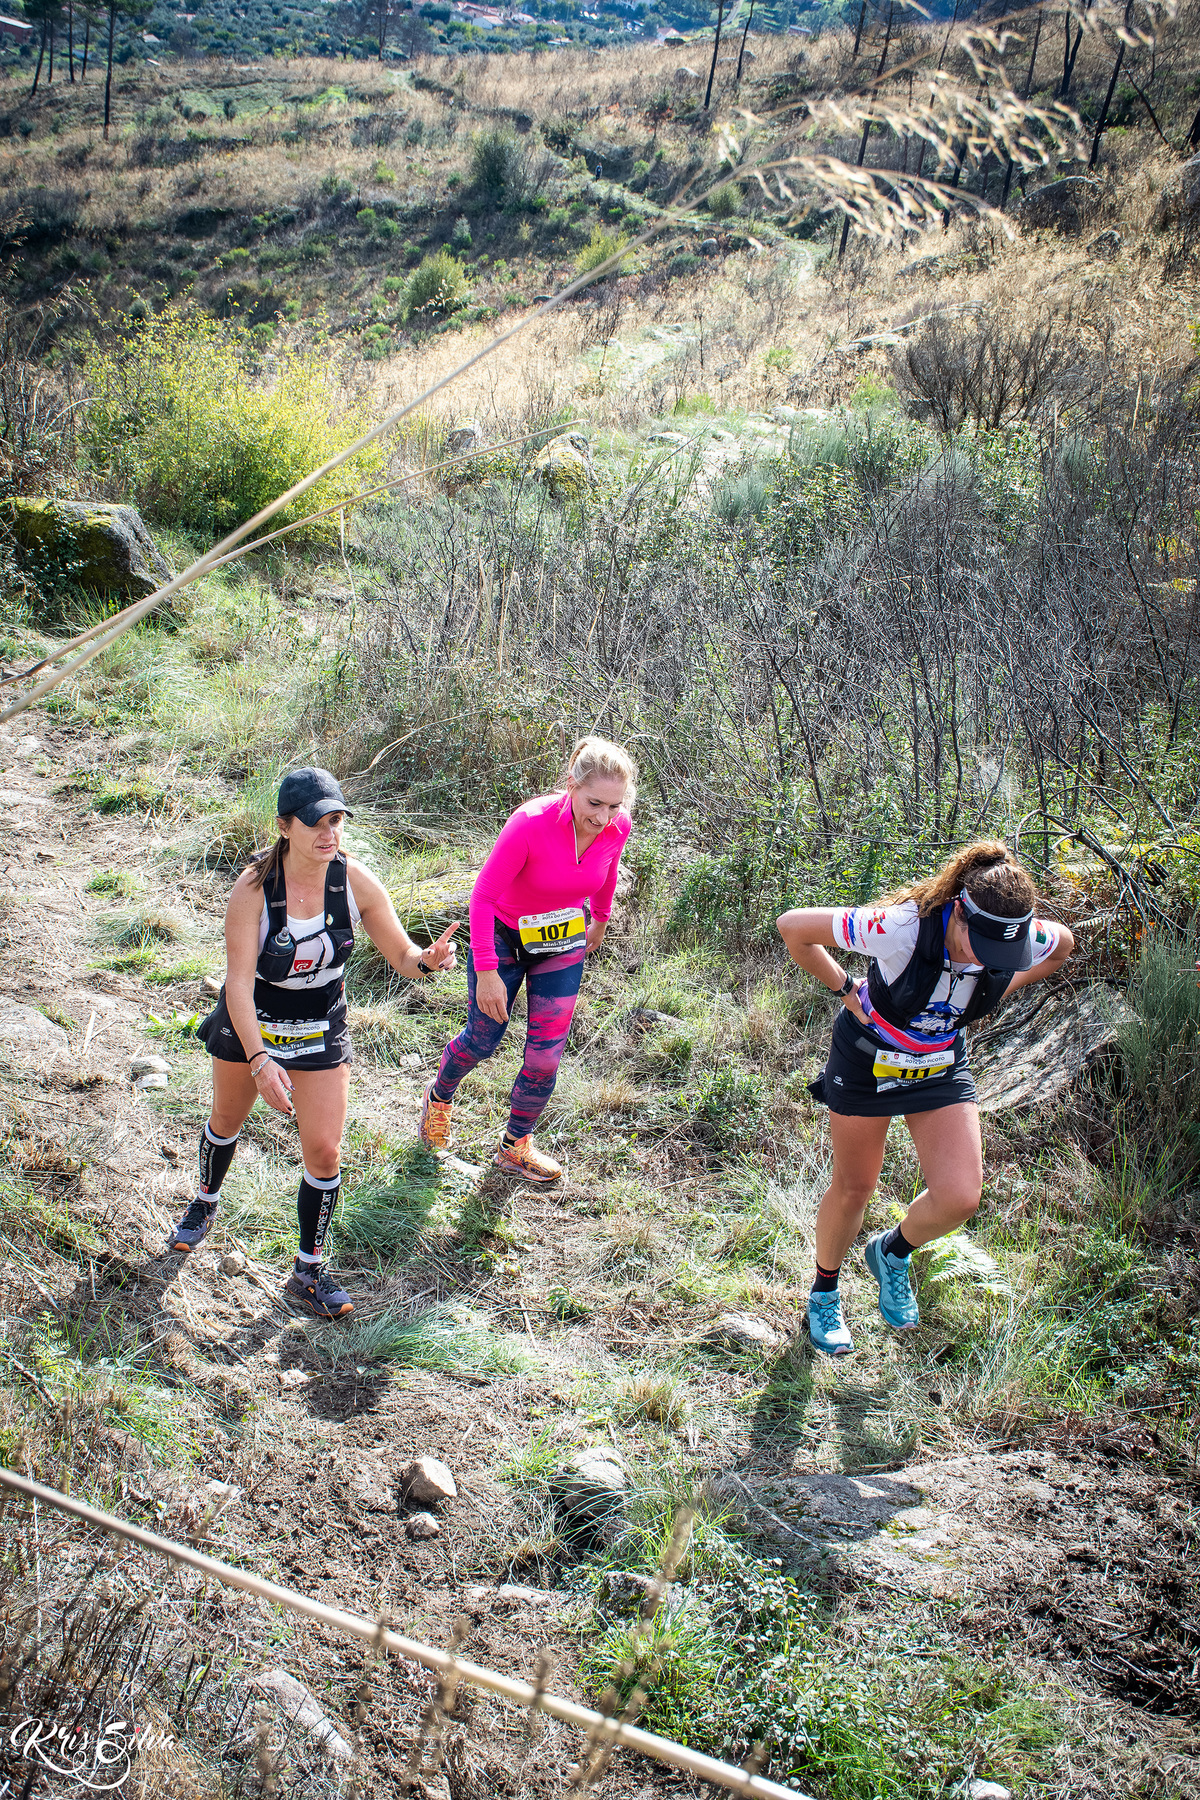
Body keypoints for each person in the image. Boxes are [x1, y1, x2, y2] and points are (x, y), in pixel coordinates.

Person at [167, 767, 458, 1321]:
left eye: (337, 821)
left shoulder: (354, 881)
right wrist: (259, 1060)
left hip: (320, 1020)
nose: (330, 833)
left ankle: (309, 1269)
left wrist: (427, 961)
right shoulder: (254, 887)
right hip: (253, 1017)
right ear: (284, 826)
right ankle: (204, 1202)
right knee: (226, 1119)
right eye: (316, 823)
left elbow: (402, 957)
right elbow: (237, 983)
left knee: (324, 1151)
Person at [777, 841, 1074, 1356]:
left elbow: (1063, 944)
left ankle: (891, 1252)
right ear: (958, 912)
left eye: (1002, 952)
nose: (989, 960)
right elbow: (793, 927)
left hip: (938, 1065)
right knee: (855, 1187)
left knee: (960, 1197)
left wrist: (993, 990)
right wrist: (846, 989)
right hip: (869, 1060)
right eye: (982, 945)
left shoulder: (1015, 937)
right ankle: (824, 1291)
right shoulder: (901, 927)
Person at [418, 735, 636, 1183]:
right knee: (482, 1040)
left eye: (614, 806)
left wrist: (600, 918)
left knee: (545, 1056)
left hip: (563, 939)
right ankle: (438, 1097)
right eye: (595, 803)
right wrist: (486, 971)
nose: (603, 818)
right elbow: (482, 897)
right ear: (572, 786)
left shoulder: (618, 826)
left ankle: (515, 1146)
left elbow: (609, 870)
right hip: (503, 937)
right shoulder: (530, 823)